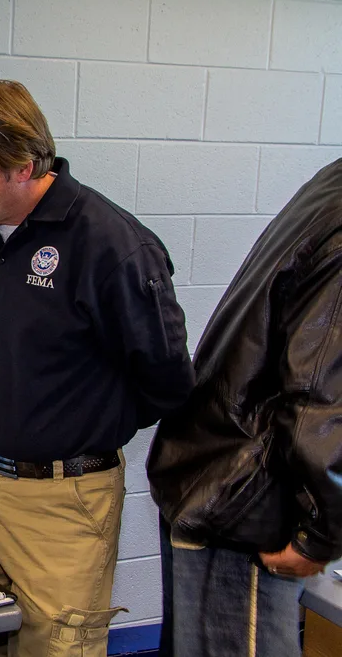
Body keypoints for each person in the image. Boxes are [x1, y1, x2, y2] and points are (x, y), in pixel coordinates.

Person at [0, 79, 195, 657]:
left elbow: (168, 383)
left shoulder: (110, 245)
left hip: (64, 501)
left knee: (58, 647)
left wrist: (89, 424)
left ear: (25, 166)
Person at [148, 159, 342, 657]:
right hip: (245, 498)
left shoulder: (334, 181)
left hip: (220, 473)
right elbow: (321, 396)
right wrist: (322, 535)